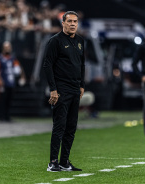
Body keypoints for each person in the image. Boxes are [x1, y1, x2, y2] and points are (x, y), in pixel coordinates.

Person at [43, 11, 85, 172]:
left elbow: (82, 65)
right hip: (61, 89)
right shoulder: (55, 41)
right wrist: (53, 89)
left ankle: (64, 162)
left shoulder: (80, 41)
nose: (73, 24)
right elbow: (47, 65)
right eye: (70, 21)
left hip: (75, 89)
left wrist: (82, 85)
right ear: (63, 23)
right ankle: (53, 162)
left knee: (71, 127)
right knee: (59, 126)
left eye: (75, 21)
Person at [0, 41, 26, 122]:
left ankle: (7, 116)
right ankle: (1, 116)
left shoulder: (13, 58)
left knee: (9, 99)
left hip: (10, 82)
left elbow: (19, 67)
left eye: (9, 47)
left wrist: (22, 76)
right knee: (2, 100)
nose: (8, 49)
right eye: (6, 47)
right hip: (3, 82)